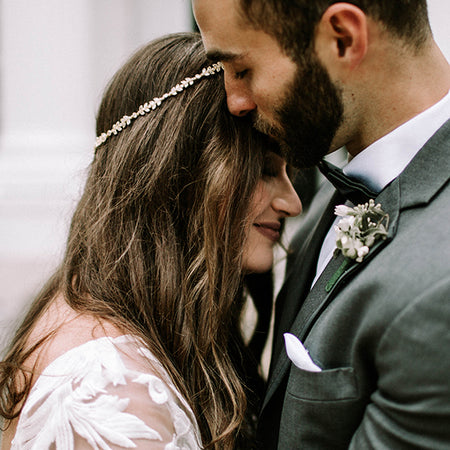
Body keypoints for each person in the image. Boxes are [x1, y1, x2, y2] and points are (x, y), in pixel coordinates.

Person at [0, 32, 301, 449]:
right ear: (184, 175)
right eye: (266, 170)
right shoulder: (111, 392)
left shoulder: (119, 322)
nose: (293, 203)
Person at [193, 0, 450, 448]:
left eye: (240, 69)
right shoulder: (332, 193)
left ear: (343, 39)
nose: (235, 102)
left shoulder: (437, 291)